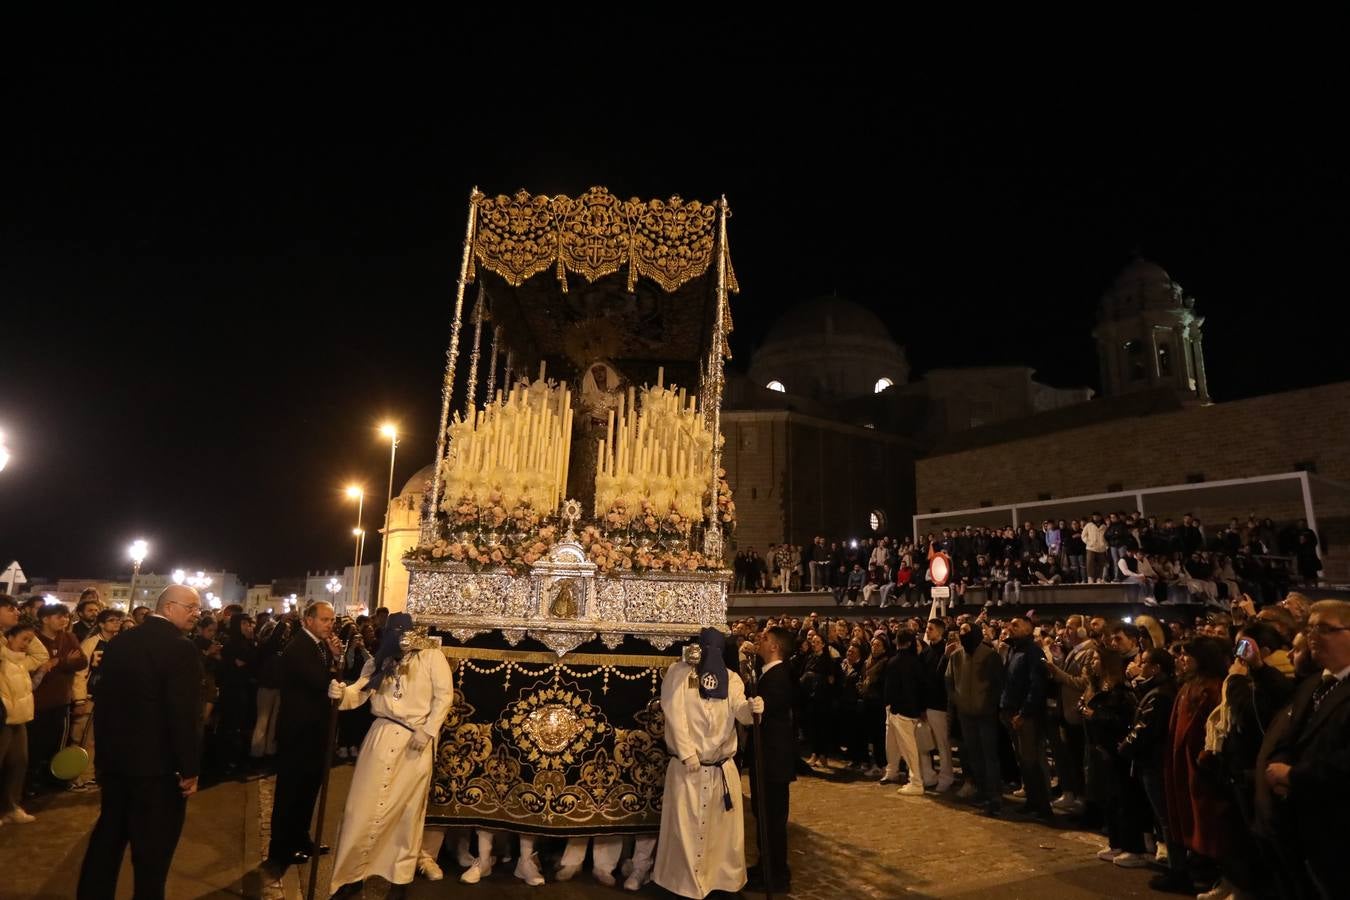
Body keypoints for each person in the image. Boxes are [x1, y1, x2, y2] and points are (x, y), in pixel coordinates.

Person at [76, 585, 205, 900]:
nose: (197, 614)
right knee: (153, 853)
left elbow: (103, 699)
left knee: (108, 839)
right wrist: (189, 767)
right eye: (191, 607)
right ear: (170, 607)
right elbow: (183, 714)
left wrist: (103, 758)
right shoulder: (180, 648)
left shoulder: (121, 642)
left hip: (116, 763)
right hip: (157, 769)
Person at [329, 613, 454, 899]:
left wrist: (429, 729)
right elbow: (360, 691)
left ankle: (399, 880)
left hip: (415, 744)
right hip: (381, 738)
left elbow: (444, 695)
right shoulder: (381, 659)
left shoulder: (432, 657)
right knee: (360, 811)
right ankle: (351, 876)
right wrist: (340, 693)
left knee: (406, 814)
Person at [653, 628, 760, 899]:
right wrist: (688, 754)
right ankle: (683, 884)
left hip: (720, 769)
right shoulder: (680, 674)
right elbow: (674, 714)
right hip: (689, 770)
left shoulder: (732, 679)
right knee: (685, 831)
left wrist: (753, 708)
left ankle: (719, 881)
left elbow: (740, 711)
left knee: (720, 836)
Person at [1265, 599, 1350, 899]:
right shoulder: (1313, 683)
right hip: (1301, 821)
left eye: (1325, 629)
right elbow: (1288, 737)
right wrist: (1278, 767)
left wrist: (1294, 776)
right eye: (1310, 627)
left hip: (1338, 825)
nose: (1313, 636)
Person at [266, 600, 341, 872]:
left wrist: (334, 656)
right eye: (324, 619)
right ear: (308, 620)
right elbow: (322, 683)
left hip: (313, 732)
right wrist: (334, 667)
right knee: (291, 792)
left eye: (332, 620)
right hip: (298, 733)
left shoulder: (318, 646)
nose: (330, 625)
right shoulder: (299, 648)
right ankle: (281, 848)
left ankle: (301, 838)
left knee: (309, 790)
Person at [743, 626, 795, 895]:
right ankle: (767, 865)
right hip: (768, 758)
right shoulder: (770, 674)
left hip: (773, 760)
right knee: (763, 815)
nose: (758, 642)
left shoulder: (778, 677)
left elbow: (768, 712)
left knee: (772, 819)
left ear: (774, 647)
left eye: (764, 639)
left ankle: (775, 874)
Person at [30, 603, 88, 788]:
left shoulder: (69, 637)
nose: (64, 620)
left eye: (66, 616)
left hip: (61, 701)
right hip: (36, 702)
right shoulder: (34, 639)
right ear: (45, 619)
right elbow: (34, 667)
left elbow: (81, 661)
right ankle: (32, 782)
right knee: (35, 744)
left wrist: (58, 662)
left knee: (57, 744)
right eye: (59, 616)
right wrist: (65, 661)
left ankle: (54, 780)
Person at [1, 622, 38, 824]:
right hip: (3, 720)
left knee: (18, 762)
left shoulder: (24, 661)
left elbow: (42, 655)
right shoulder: (2, 659)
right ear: (9, 637)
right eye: (23, 639)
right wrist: (8, 629)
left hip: (20, 718)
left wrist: (28, 634)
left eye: (29, 641)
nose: (27, 644)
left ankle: (11, 806)